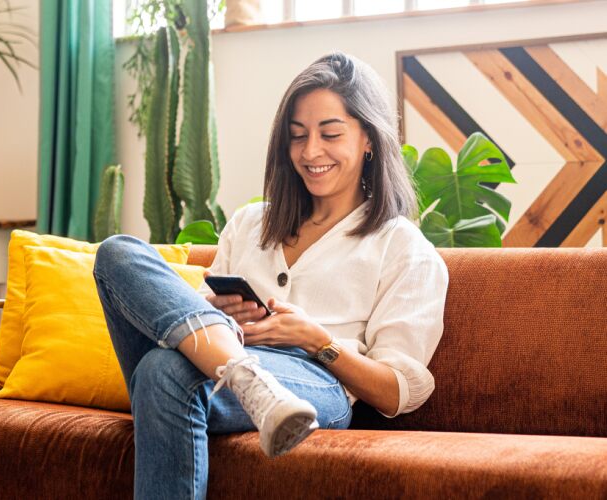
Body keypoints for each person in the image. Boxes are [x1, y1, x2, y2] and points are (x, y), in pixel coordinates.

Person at [93, 52, 448, 499]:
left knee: (162, 372)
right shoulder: (249, 224)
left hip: (317, 383)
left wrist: (317, 340)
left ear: (369, 140)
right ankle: (244, 378)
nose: (310, 151)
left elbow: (398, 392)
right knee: (117, 252)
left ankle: (251, 381)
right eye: (297, 136)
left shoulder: (402, 246)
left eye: (330, 134)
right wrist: (216, 312)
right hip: (219, 363)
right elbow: (181, 324)